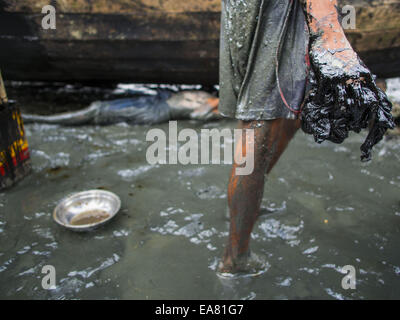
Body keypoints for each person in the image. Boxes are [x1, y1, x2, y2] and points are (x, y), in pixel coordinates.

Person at [217, 0, 389, 277]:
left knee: (287, 109)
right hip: (277, 10)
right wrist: (328, 28)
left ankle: (240, 210)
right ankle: (236, 258)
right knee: (260, 118)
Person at [22, 90, 221, 125]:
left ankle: (37, 119)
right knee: (101, 107)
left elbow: (196, 116)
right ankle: (36, 119)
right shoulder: (209, 95)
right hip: (156, 101)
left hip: (154, 112)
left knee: (97, 110)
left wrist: (215, 105)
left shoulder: (212, 107)